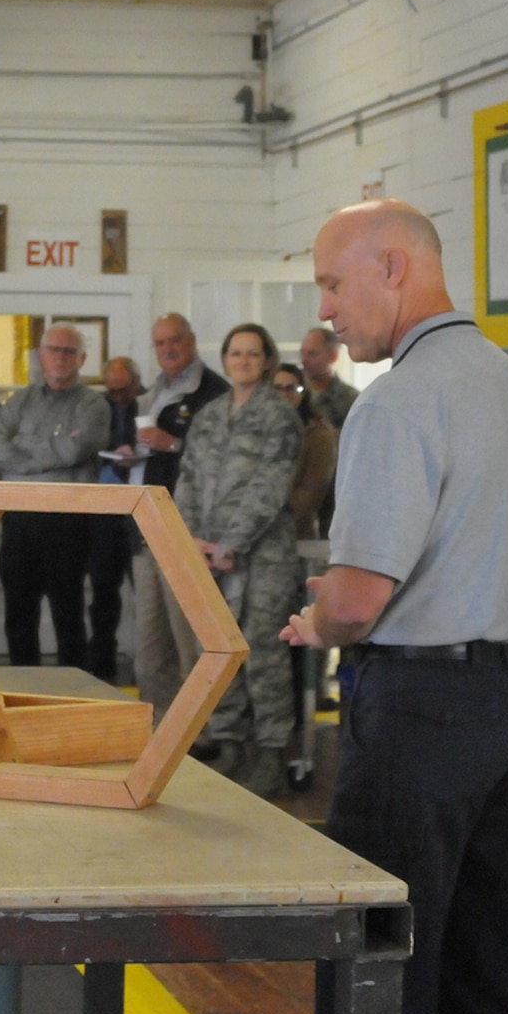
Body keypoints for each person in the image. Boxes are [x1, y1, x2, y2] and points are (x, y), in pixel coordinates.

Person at [282, 200, 508, 1014]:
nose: (326, 310)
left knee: (379, 965)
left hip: (421, 718)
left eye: (334, 283)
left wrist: (317, 618)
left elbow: (361, 599)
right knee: (491, 968)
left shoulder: (397, 402)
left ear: (394, 267)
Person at [173, 324, 303, 797]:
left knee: (263, 653)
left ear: (268, 360)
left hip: (261, 558)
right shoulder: (208, 416)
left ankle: (270, 751)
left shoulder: (280, 416)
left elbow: (271, 487)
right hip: (207, 556)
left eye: (253, 353)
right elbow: (185, 478)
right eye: (235, 352)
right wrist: (189, 540)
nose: (243, 360)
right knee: (220, 649)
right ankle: (229, 744)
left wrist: (229, 545)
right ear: (224, 359)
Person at [0, 323, 108, 669]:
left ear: (82, 358)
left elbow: (76, 451)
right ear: (41, 353)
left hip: (67, 520)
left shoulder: (93, 404)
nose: (60, 357)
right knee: (18, 615)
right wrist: (55, 446)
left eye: (69, 351)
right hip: (19, 518)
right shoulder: (20, 400)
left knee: (67, 613)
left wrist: (21, 448)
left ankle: (72, 700)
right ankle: (23, 695)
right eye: (54, 349)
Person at [129, 313, 229, 717]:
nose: (168, 350)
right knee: (149, 645)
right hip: (146, 527)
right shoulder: (154, 392)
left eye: (175, 341)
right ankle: (156, 731)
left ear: (192, 341)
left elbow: (222, 461)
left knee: (190, 642)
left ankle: (199, 735)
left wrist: (172, 444)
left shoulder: (215, 393)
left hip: (188, 532)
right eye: (161, 344)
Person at [86, 355, 143, 684]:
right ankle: (102, 661)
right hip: (105, 507)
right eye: (113, 390)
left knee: (146, 589)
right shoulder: (99, 406)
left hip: (141, 505)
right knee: (103, 588)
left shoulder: (148, 402)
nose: (119, 397)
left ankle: (144, 660)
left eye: (124, 390)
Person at [272, 364, 337, 541]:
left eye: (292, 388)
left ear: (303, 392)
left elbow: (312, 492)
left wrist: (271, 517)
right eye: (278, 388)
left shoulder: (318, 434)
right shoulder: (256, 429)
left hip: (296, 534)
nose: (285, 394)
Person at [300, 325, 359, 431]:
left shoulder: (350, 400)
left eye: (312, 353)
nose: (304, 360)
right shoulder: (294, 393)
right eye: (302, 352)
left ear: (333, 356)